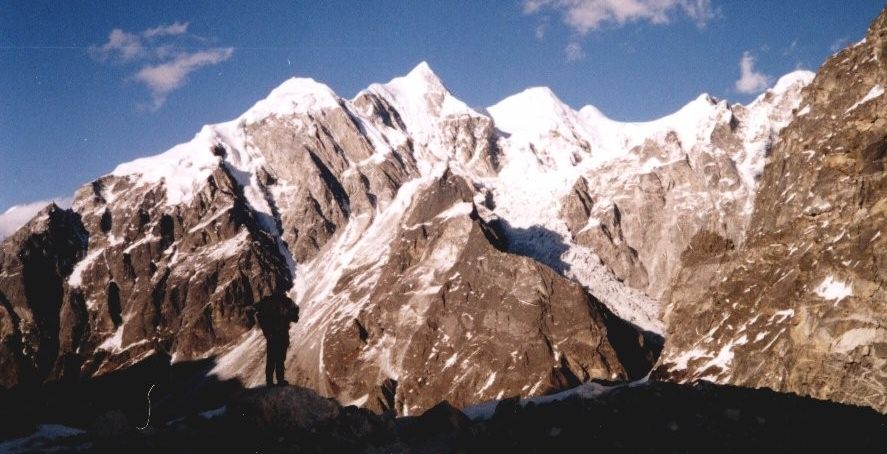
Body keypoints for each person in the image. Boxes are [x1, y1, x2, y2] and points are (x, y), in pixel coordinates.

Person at [254, 292, 299, 386]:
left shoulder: (267, 303)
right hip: (282, 335)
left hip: (272, 336)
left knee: (271, 359)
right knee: (280, 359)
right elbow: (295, 316)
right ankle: (280, 380)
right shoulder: (286, 302)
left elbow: (258, 314)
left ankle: (269, 382)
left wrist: (267, 332)